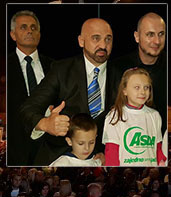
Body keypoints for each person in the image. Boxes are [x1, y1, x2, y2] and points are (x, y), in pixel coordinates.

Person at [19, 18, 117, 165]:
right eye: (96, 38)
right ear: (81, 41)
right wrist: (45, 124)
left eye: (108, 39)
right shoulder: (61, 70)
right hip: (58, 158)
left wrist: (107, 153)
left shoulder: (123, 75)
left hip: (101, 161)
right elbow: (28, 108)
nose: (103, 45)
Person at [7, 10, 52, 166]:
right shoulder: (5, 66)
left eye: (33, 28)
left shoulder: (54, 66)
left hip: (49, 144)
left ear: (39, 34)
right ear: (13, 35)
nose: (29, 31)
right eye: (24, 27)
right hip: (17, 147)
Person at [102, 67, 165, 166]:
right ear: (124, 90)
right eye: (137, 87)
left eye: (146, 87)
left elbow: (158, 148)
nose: (143, 92)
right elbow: (111, 152)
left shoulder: (154, 115)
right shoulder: (114, 116)